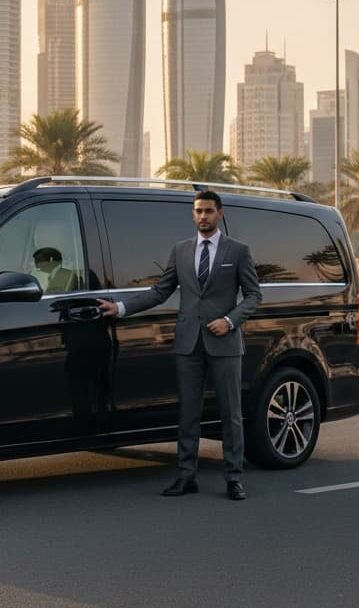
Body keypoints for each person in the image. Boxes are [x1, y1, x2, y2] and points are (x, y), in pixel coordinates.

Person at [97, 191, 262, 501]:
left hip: (225, 343)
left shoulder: (238, 251)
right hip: (188, 343)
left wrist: (230, 320)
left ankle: (234, 477)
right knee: (188, 413)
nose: (203, 216)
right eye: (198, 211)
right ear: (192, 214)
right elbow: (160, 292)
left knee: (231, 413)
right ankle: (187, 476)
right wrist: (120, 308)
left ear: (220, 214)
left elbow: (254, 296)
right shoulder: (181, 251)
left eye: (209, 211)